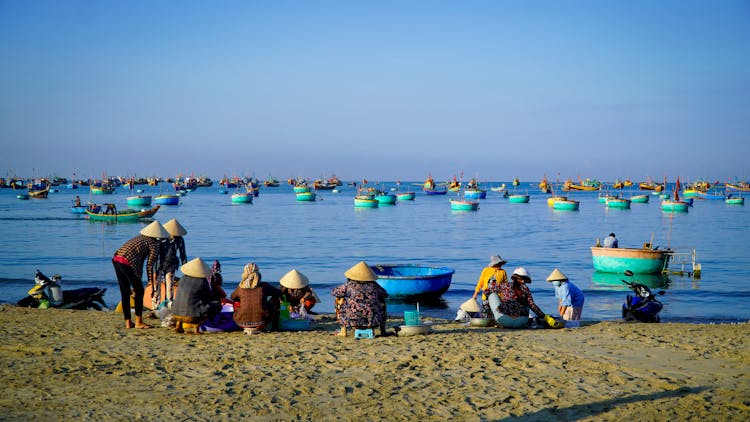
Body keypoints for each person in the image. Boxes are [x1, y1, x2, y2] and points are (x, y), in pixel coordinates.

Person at [112, 220, 169, 329]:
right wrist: (150, 281)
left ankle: (128, 322)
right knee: (139, 291)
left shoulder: (139, 238)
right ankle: (138, 321)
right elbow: (149, 264)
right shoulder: (153, 244)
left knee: (125, 292)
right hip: (127, 262)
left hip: (116, 258)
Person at [331, 261, 389, 337]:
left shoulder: (349, 285)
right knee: (382, 301)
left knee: (338, 300)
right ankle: (383, 331)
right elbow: (385, 294)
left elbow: (334, 292)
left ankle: (343, 331)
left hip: (352, 318)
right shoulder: (374, 285)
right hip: (372, 319)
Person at [171, 257, 222, 334]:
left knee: (187, 302)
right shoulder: (202, 281)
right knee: (216, 306)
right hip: (192, 316)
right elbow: (208, 298)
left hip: (175, 313)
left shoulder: (183, 278)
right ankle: (196, 329)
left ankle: (179, 325)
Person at [231, 263, 282, 334]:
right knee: (275, 300)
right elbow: (278, 293)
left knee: (237, 302)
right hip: (262, 322)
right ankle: (275, 328)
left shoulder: (240, 288)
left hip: (241, 322)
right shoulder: (264, 286)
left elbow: (232, 297)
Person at [160, 218, 188, 303]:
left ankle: (169, 302)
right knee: (159, 284)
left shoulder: (179, 239)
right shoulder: (162, 238)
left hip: (171, 263)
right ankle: (161, 302)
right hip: (160, 263)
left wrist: (185, 268)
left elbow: (183, 254)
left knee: (169, 283)